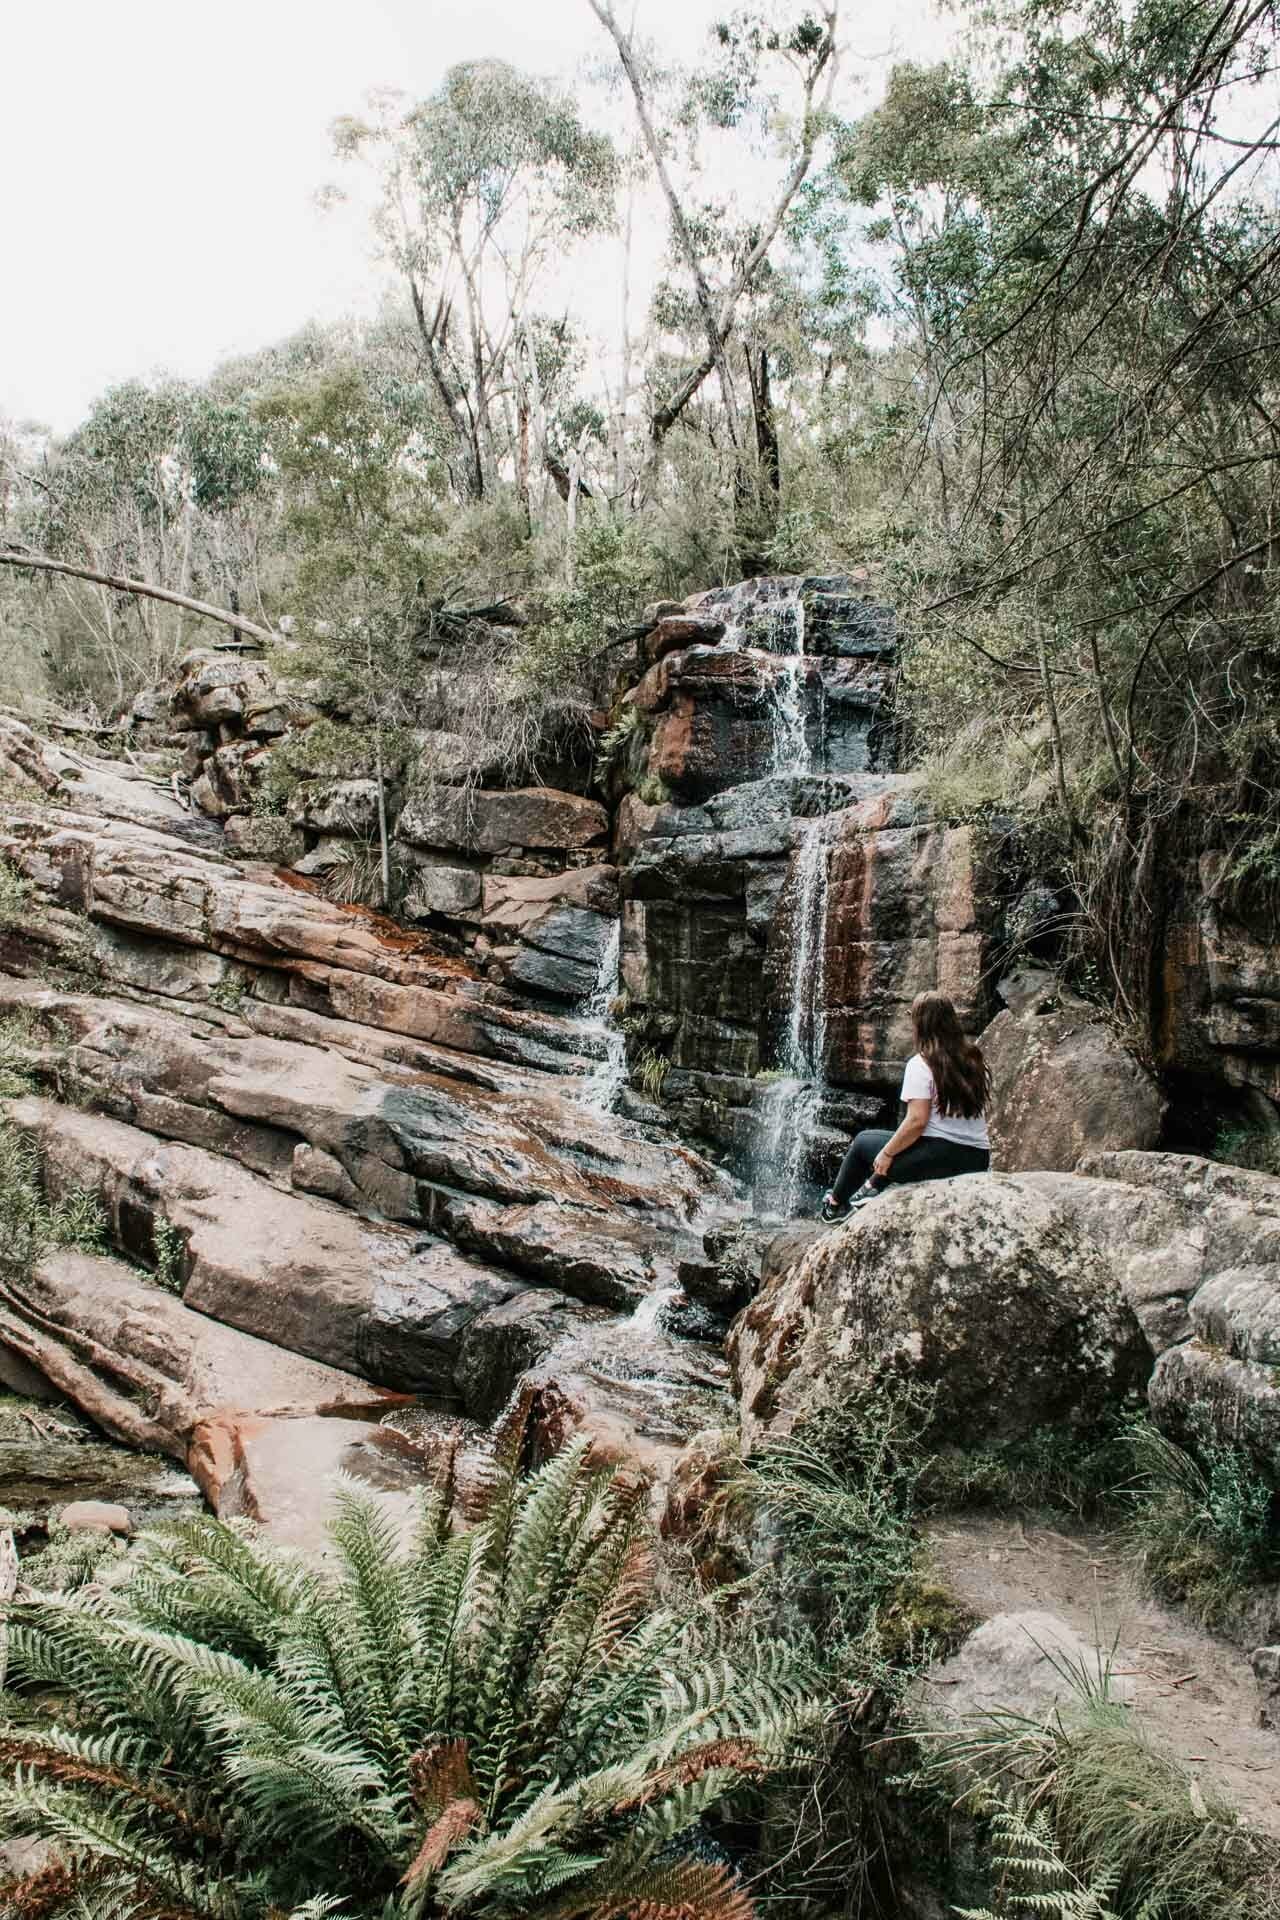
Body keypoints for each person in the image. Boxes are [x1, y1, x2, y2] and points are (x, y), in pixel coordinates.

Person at [820, 990, 991, 1222]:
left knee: (863, 1143)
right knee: (900, 1142)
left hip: (942, 1160)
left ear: (920, 1024)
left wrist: (887, 1153)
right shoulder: (972, 1058)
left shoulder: (921, 1064)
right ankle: (869, 1189)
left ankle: (835, 1206)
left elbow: (916, 1121)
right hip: (977, 1158)